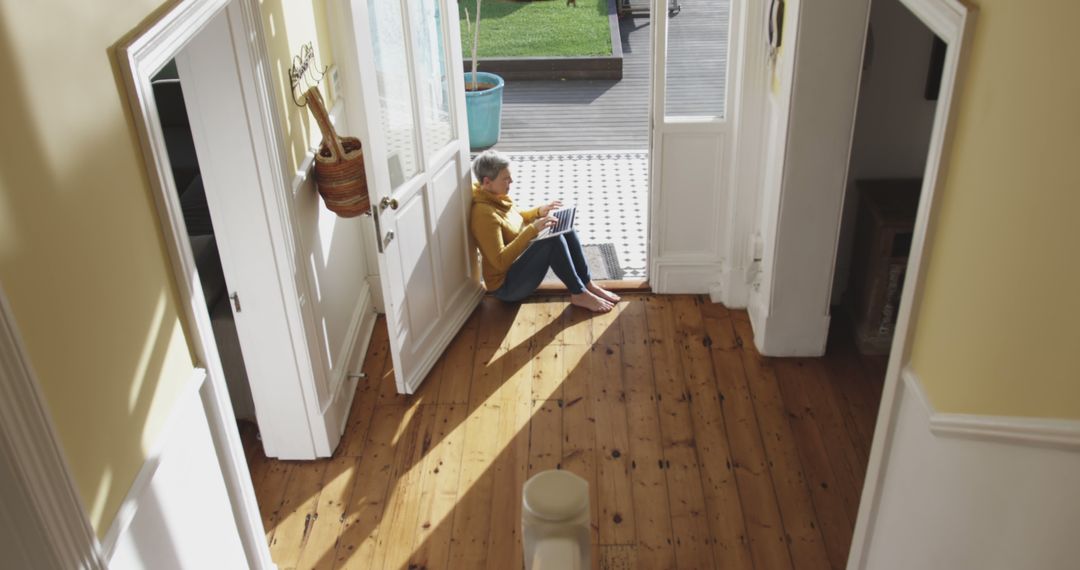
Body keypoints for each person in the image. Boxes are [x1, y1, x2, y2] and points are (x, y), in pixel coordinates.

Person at [469, 150, 620, 312]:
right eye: (506, 179)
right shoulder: (484, 215)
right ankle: (579, 293)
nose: (511, 181)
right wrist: (533, 230)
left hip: (519, 264)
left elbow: (516, 218)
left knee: (562, 225)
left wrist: (538, 212)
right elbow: (499, 262)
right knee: (553, 241)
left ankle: (587, 284)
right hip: (506, 287)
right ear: (487, 181)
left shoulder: (495, 195)